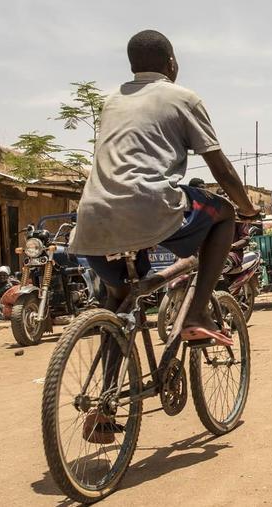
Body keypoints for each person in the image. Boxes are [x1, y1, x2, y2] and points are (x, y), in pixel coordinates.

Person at [70, 29, 260, 344]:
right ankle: (196, 312)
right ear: (171, 63)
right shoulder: (182, 97)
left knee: (120, 305)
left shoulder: (111, 101)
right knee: (224, 213)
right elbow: (221, 170)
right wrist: (248, 209)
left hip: (91, 217)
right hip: (149, 206)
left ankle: (108, 389)